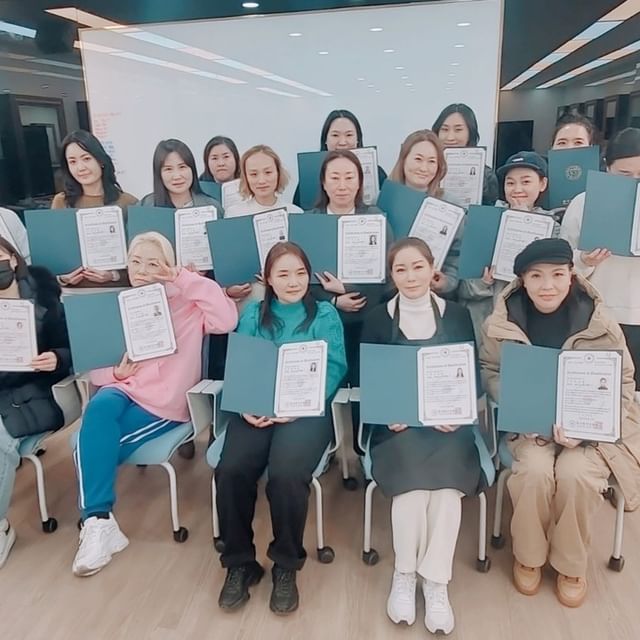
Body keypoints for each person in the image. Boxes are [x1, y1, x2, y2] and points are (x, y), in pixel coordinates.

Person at [480, 238, 640, 608]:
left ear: (572, 275)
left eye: (556, 274)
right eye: (536, 276)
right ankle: (529, 555)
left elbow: (623, 381)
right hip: (529, 427)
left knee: (576, 474)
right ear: (522, 280)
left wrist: (587, 430)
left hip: (588, 431)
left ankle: (570, 564)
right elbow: (490, 369)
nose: (547, 285)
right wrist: (519, 404)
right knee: (534, 471)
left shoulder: (598, 320)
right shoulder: (502, 321)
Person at [71, 231, 237, 577]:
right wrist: (115, 372)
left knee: (90, 446)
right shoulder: (116, 304)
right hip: (122, 389)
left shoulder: (188, 301)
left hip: (163, 404)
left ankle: (97, 521)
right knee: (97, 410)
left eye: (153, 263)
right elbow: (97, 363)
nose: (143, 270)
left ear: (167, 265)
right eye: (136, 262)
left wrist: (183, 278)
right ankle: (99, 522)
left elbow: (226, 320)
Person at [361, 237, 492, 635]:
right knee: (413, 490)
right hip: (396, 428)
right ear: (391, 275)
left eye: (418, 266)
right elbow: (369, 379)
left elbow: (470, 376)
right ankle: (404, 574)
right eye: (400, 269)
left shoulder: (457, 315)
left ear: (432, 268)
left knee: (447, 491)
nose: (410, 276)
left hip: (448, 427)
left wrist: (457, 412)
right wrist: (388, 413)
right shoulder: (378, 318)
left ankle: (436, 582)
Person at [215, 242, 347, 615]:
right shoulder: (253, 314)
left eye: (300, 273)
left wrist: (298, 404)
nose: (293, 282)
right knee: (231, 470)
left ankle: (286, 565)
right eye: (283, 274)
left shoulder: (324, 314)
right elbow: (241, 364)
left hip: (304, 411)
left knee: (287, 474)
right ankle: (240, 562)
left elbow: (335, 366)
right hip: (256, 408)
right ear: (268, 279)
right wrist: (246, 404)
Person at [0, 237, 71, 568]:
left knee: (1, 443)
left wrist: (56, 358)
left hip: (37, 390)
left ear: (13, 258)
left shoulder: (42, 290)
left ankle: (1, 528)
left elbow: (72, 346)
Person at [560, 127, 640, 390]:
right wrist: (585, 259)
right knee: (598, 393)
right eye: (624, 174)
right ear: (607, 168)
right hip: (598, 316)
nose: (634, 182)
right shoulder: (583, 203)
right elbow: (563, 262)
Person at [307, 150, 392, 389]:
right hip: (321, 316)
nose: (342, 185)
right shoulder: (309, 221)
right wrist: (333, 301)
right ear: (324, 182)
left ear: (359, 182)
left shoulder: (375, 218)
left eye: (349, 177)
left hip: (368, 316)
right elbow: (301, 276)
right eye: (335, 178)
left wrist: (347, 288)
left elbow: (388, 272)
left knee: (363, 384)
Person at [458, 151, 555, 343]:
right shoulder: (484, 222)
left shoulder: (552, 227)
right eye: (510, 183)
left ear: (542, 184)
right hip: (487, 325)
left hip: (531, 325)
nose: (517, 189)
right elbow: (464, 288)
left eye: (526, 182)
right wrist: (484, 282)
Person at [51, 130, 137, 288]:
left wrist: (113, 276)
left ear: (101, 160)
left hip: (116, 291)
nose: (80, 167)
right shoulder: (61, 202)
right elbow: (53, 258)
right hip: (73, 293)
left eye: (86, 159)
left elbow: (141, 263)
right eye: (72, 162)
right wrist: (63, 278)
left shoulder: (128, 202)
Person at [224, 145, 302, 304]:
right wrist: (230, 290)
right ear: (245, 177)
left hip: (288, 300)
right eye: (253, 174)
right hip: (250, 299)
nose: (261, 180)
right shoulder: (233, 214)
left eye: (268, 172)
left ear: (278, 173)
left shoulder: (296, 213)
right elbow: (230, 266)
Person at [389, 130, 460, 299]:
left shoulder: (451, 204)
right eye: (418, 159)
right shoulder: (384, 199)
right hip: (389, 295)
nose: (424, 168)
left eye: (432, 161)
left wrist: (446, 282)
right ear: (404, 159)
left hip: (433, 297)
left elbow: (456, 255)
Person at [293, 109, 387, 207]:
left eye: (349, 135)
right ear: (325, 140)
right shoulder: (309, 175)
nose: (342, 142)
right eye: (335, 135)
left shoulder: (377, 173)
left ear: (358, 139)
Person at [432, 103, 499, 205]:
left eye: (458, 130)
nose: (450, 137)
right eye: (445, 129)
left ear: (470, 132)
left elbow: (488, 210)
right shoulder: (428, 168)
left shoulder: (486, 175)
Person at [141, 139, 222, 212]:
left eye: (182, 167)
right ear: (159, 174)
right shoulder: (145, 207)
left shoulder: (212, 207)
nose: (177, 176)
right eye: (168, 169)